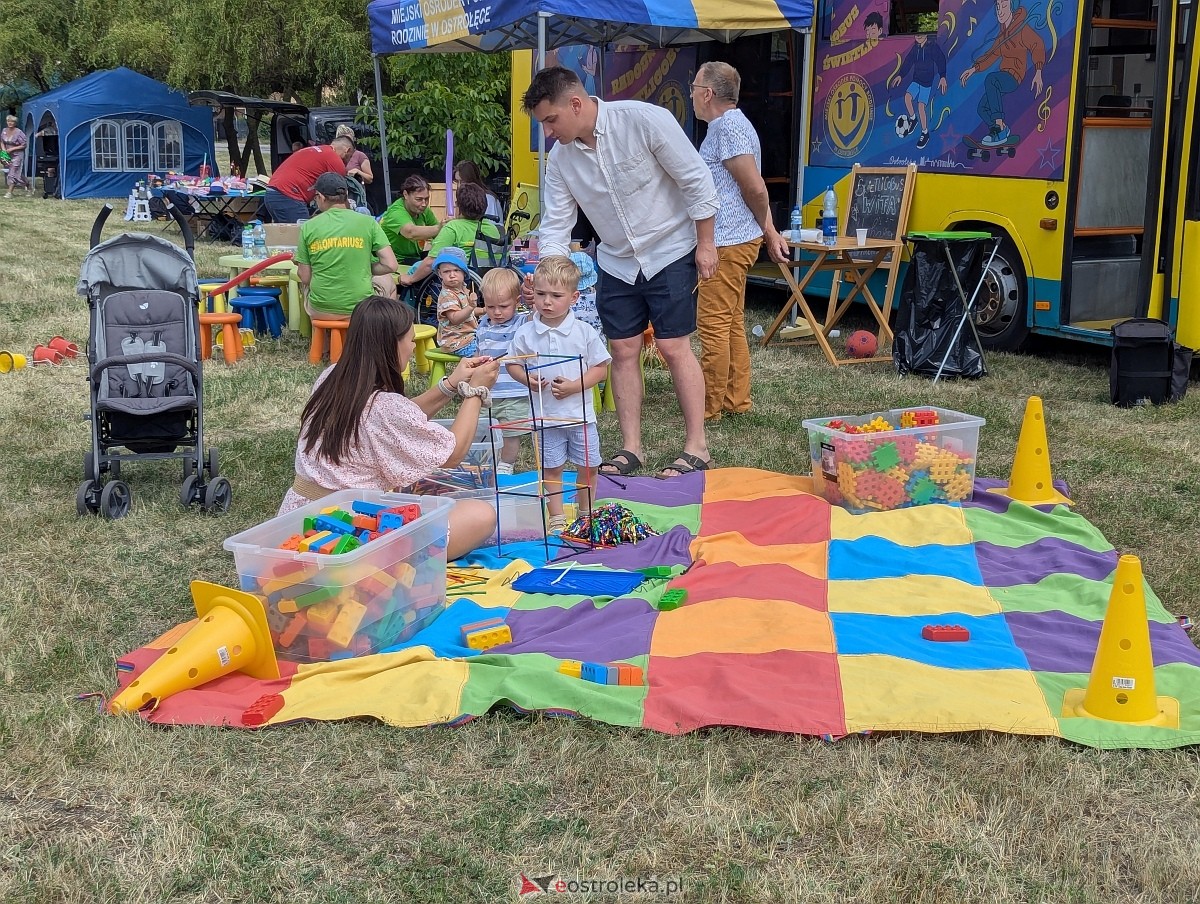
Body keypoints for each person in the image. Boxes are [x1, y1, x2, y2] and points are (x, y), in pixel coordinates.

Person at [522, 66, 719, 480]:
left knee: (672, 347)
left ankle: (696, 447)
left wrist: (706, 244)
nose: (549, 133)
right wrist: (546, 276)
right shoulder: (559, 160)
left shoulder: (643, 119)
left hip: (671, 248)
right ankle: (631, 448)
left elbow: (696, 181)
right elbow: (556, 225)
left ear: (575, 103)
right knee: (624, 350)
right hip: (616, 260)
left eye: (551, 120)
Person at [279, 295, 501, 560]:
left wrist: (451, 384)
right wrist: (475, 392)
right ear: (392, 345)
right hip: (353, 532)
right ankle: (399, 562)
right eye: (409, 339)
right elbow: (452, 454)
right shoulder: (385, 408)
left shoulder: (333, 376)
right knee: (482, 514)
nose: (410, 347)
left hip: (300, 520)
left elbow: (401, 420)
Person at [691, 61, 790, 424]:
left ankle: (709, 407)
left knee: (713, 326)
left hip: (727, 242)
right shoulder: (729, 125)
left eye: (693, 87)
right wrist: (768, 231)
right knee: (731, 323)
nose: (691, 95)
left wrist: (770, 230)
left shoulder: (727, 127)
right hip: (737, 239)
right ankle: (736, 400)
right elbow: (749, 188)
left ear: (708, 93)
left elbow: (754, 187)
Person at [507, 256, 611, 533]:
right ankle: (556, 517)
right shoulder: (526, 332)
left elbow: (600, 368)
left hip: (580, 417)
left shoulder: (584, 332)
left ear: (574, 297)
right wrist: (526, 379)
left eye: (556, 295)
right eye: (541, 294)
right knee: (551, 469)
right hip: (545, 418)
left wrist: (575, 386)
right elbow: (513, 362)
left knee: (588, 466)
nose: (547, 302)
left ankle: (586, 512)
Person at [296, 174, 397, 321]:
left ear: (322, 197)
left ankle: (324, 340)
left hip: (321, 309)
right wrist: (365, 268)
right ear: (347, 195)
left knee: (307, 285)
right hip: (361, 308)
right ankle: (382, 330)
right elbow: (391, 265)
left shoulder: (308, 227)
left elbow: (305, 277)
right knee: (388, 282)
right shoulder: (368, 223)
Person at [959, 0, 1045, 148]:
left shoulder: (1021, 29)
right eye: (998, 7)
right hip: (1002, 75)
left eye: (1003, 6)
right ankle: (1001, 131)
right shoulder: (1002, 35)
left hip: (1014, 76)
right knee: (982, 108)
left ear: (1011, 8)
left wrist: (1038, 71)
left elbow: (1037, 44)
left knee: (991, 80)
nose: (1000, 10)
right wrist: (973, 69)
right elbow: (991, 54)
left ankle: (998, 126)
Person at [475, 267, 531, 476]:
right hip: (487, 391)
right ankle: (486, 462)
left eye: (503, 306)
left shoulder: (522, 323)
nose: (497, 312)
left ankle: (506, 464)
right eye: (490, 307)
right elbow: (480, 350)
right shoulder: (483, 324)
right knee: (482, 429)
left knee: (510, 432)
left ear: (518, 302)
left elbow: (538, 318)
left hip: (513, 392)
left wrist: (532, 296)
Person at [398, 182, 502, 288]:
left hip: (460, 280)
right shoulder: (492, 228)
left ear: (458, 206)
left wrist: (411, 279)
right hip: (488, 280)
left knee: (417, 267)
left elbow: (431, 262)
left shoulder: (453, 227)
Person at [264, 136, 355, 223]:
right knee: (301, 234)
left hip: (272, 193)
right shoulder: (334, 158)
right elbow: (340, 193)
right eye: (350, 157)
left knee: (286, 235)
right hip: (289, 196)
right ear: (347, 150)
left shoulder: (315, 150)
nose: (347, 161)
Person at [890, 31, 949, 149]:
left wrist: (943, 76)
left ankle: (925, 132)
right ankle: (913, 119)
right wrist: (901, 75)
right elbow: (908, 62)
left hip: (927, 83)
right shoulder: (915, 49)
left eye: (921, 34)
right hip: (916, 80)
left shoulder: (932, 47)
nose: (918, 36)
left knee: (921, 107)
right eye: (916, 34)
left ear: (927, 35)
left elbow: (941, 60)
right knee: (907, 97)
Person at [379, 175, 444, 271]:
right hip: (395, 262)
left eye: (426, 199)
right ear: (405, 194)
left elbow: (439, 235)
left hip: (415, 258)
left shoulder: (424, 210)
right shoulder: (395, 212)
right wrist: (439, 228)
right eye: (419, 199)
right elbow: (410, 232)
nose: (424, 204)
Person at [433, 247, 482, 356]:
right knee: (482, 353)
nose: (452, 275)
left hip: (467, 337)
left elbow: (467, 312)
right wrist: (470, 306)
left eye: (456, 270)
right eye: (446, 271)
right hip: (456, 341)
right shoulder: (447, 295)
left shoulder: (462, 289)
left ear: (464, 272)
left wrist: (483, 310)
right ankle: (473, 371)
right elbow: (455, 318)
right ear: (440, 274)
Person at [2, 115, 29, 198]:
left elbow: (24, 145)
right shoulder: (4, 130)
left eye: (12, 121)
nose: (10, 123)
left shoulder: (19, 132)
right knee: (17, 174)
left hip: (17, 154)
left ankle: (9, 193)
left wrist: (13, 149)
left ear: (15, 123)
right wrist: (3, 150)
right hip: (7, 154)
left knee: (12, 172)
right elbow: (2, 141)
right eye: (8, 121)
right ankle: (28, 185)